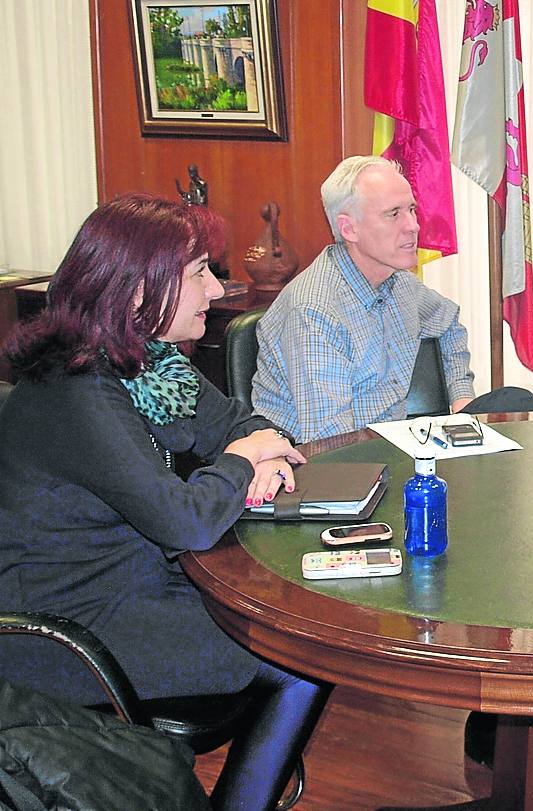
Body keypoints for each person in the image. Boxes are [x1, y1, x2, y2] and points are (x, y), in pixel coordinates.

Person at [0, 194, 331, 810]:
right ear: (135, 294)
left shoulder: (150, 366)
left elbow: (235, 421)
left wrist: (258, 445)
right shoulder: (76, 395)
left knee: (294, 634)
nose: (216, 287)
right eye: (198, 272)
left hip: (133, 588)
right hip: (66, 632)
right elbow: (186, 521)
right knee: (300, 652)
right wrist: (242, 462)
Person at [253, 155, 478, 443]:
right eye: (393, 214)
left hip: (386, 447)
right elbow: (332, 444)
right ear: (349, 229)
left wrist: (462, 405)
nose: (413, 226)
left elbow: (449, 325)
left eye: (411, 209)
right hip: (322, 469)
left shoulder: (400, 284)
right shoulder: (313, 311)